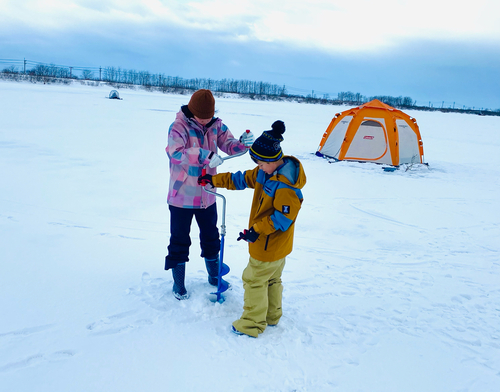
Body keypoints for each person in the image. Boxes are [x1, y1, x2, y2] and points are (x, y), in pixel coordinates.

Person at [198, 120, 306, 337]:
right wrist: (214, 179)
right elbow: (241, 179)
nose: (258, 168)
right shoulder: (266, 173)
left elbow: (282, 218)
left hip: (268, 244)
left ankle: (252, 324)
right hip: (274, 247)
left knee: (254, 279)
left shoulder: (286, 185)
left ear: (272, 160)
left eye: (260, 164)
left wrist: (257, 230)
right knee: (272, 279)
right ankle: (271, 316)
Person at [165, 89, 254, 300]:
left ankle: (214, 277)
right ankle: (179, 285)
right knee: (179, 240)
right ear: (191, 111)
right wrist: (206, 155)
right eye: (201, 117)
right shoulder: (178, 127)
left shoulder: (217, 125)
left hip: (207, 194)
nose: (205, 121)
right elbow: (175, 154)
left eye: (208, 116)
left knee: (211, 237)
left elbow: (230, 145)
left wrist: (242, 143)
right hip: (182, 196)